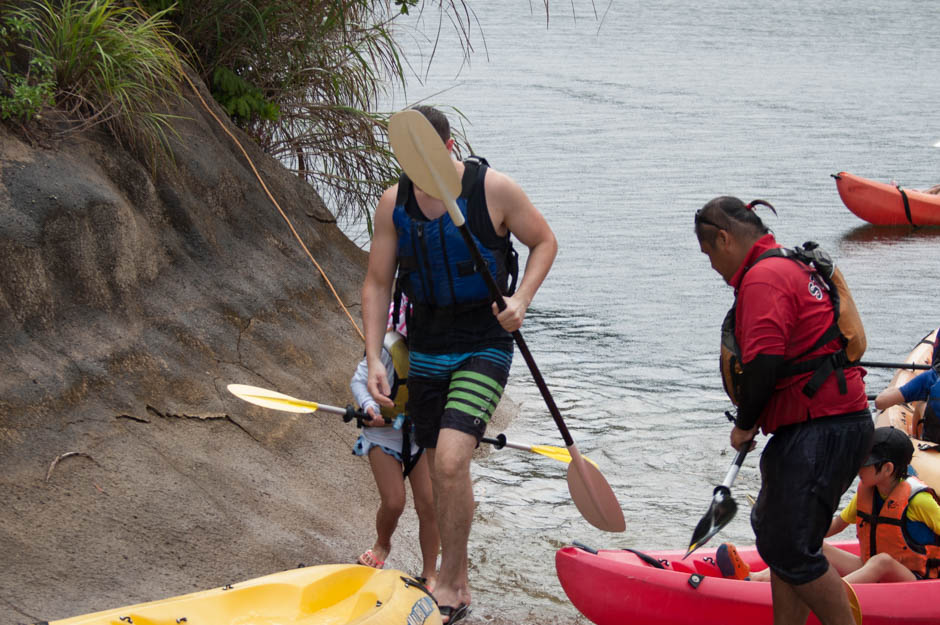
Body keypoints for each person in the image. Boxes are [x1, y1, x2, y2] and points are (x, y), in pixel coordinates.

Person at [361, 106, 557, 623]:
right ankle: (452, 573)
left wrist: (523, 301)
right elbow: (379, 282)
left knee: (450, 460)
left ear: (449, 148)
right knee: (436, 469)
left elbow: (544, 241)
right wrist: (373, 357)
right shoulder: (393, 203)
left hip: (483, 342)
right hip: (425, 347)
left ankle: (454, 580)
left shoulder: (494, 190)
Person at [694, 196, 873, 625]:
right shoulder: (792, 265)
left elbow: (764, 365)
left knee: (789, 547)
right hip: (834, 424)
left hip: (821, 428)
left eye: (710, 254)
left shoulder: (763, 277)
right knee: (781, 540)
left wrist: (744, 425)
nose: (713, 267)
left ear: (724, 238)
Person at [723, 426, 940, 583]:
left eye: (865, 464)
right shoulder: (868, 494)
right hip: (870, 569)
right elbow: (834, 526)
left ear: (887, 469)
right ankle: (754, 580)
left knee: (881, 561)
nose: (857, 469)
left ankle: (830, 595)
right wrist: (798, 534)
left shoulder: (919, 500)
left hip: (914, 580)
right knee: (818, 547)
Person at [350, 296, 439, 590]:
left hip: (418, 440)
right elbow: (358, 380)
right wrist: (368, 405)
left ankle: (430, 573)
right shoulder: (388, 349)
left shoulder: (439, 354)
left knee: (429, 505)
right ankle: (381, 545)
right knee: (395, 501)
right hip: (382, 436)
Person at [873, 329, 940, 443]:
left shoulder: (931, 378)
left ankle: (918, 436)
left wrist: (895, 388)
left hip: (934, 451)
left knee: (921, 404)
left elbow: (880, 402)